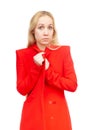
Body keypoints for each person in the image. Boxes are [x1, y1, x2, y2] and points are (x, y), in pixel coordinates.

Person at [16, 11, 78, 130]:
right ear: (33, 31)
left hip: (59, 117)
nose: (46, 32)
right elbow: (21, 89)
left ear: (53, 31)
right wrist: (36, 68)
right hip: (33, 118)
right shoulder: (23, 55)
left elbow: (72, 85)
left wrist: (49, 71)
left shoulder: (63, 52)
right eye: (41, 27)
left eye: (50, 28)